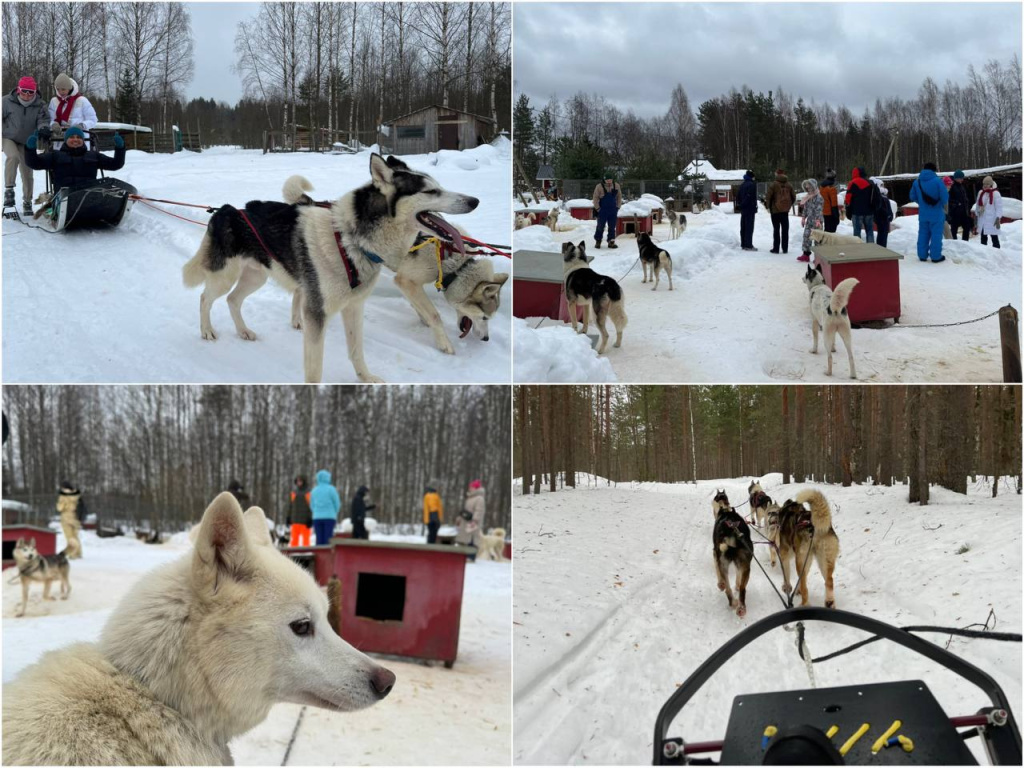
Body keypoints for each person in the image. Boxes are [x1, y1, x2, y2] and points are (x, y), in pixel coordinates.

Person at [25, 125, 125, 196]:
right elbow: (34, 163)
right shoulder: (55, 156)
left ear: (83, 140)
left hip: (88, 196)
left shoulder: (94, 156)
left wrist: (120, 148)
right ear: (66, 140)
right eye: (71, 137)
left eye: (79, 137)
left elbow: (116, 164)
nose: (75, 139)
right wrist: (30, 149)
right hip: (64, 197)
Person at [2, 76, 50, 216]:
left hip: (27, 141)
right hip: (8, 138)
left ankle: (27, 201)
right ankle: (9, 190)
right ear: (18, 90)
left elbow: (43, 120)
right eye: (24, 91)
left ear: (35, 92)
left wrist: (44, 128)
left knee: (27, 170)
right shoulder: (6, 101)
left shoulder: (40, 104)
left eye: (31, 92)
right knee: (13, 157)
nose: (27, 95)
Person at [909, 161, 949, 262]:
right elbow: (945, 198)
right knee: (936, 235)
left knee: (923, 233)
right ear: (934, 170)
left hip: (923, 214)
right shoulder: (938, 181)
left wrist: (922, 203)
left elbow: (912, 196)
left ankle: (922, 255)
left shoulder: (917, 182)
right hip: (936, 214)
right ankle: (936, 256)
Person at [47, 73, 98, 138]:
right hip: (59, 141)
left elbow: (93, 120)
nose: (60, 92)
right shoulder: (54, 101)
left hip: (79, 140)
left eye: (63, 89)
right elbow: (50, 119)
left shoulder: (82, 100)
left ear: (69, 88)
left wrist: (82, 125)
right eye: (58, 89)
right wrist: (53, 124)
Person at [843, 167, 879, 243]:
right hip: (869, 212)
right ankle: (871, 248)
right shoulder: (871, 183)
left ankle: (857, 250)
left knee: (857, 233)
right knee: (869, 232)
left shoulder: (852, 183)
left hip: (857, 212)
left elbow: (848, 199)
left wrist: (848, 210)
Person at [764, 169, 795, 254]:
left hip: (775, 211)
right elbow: (793, 197)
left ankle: (776, 248)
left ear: (777, 174)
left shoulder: (774, 185)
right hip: (785, 211)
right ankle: (785, 249)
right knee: (785, 230)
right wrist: (788, 206)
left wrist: (768, 207)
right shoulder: (789, 185)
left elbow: (768, 197)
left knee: (776, 229)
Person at [457, 479, 487, 561]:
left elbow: (479, 510)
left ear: (475, 488)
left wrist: (475, 520)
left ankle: (471, 556)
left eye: (471, 487)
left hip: (473, 523)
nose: (470, 488)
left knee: (472, 539)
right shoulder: (470, 498)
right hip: (466, 521)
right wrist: (460, 518)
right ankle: (465, 555)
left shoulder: (479, 499)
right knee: (465, 539)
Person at [310, 469, 341, 545]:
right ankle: (327, 555)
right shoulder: (331, 489)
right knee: (328, 538)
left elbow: (312, 505)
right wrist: (334, 512)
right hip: (329, 517)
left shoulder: (314, 490)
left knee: (319, 538)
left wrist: (316, 512)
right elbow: (337, 503)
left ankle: (319, 554)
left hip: (317, 517)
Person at [591, 173, 622, 249]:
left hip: (613, 210)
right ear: (604, 180)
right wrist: (598, 208)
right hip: (602, 210)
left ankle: (611, 242)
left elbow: (619, 197)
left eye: (610, 180)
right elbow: (595, 198)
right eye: (607, 180)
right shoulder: (599, 187)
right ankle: (598, 241)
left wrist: (618, 207)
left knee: (612, 226)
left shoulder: (616, 185)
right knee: (600, 226)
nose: (609, 181)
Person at [798, 178, 823, 263]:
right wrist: (803, 218)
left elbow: (819, 209)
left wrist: (818, 220)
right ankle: (806, 254)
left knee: (817, 239)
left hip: (817, 221)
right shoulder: (808, 197)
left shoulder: (819, 197)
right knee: (806, 236)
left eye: (809, 185)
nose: (807, 187)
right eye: (806, 186)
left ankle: (818, 258)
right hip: (809, 221)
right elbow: (805, 208)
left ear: (813, 186)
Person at [56, 480, 83, 559]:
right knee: (75, 536)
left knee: (69, 537)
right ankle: (78, 553)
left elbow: (60, 508)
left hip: (66, 516)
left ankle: (73, 553)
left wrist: (59, 505)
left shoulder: (63, 495)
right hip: (76, 516)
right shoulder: (76, 495)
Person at [974, 176, 1003, 249]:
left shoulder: (996, 193)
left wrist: (998, 217)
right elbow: (978, 204)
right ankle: (984, 252)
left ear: (991, 184)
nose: (985, 186)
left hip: (992, 219)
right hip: (983, 218)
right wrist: (977, 213)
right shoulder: (981, 193)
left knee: (994, 237)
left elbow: (999, 207)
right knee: (983, 237)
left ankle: (997, 252)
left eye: (987, 184)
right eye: (984, 184)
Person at [947, 170, 972, 241]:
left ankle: (965, 242)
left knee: (967, 227)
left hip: (963, 211)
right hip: (955, 212)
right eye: (961, 178)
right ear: (956, 178)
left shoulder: (962, 186)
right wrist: (956, 204)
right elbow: (949, 199)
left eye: (962, 178)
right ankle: (954, 243)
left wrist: (966, 203)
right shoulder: (951, 186)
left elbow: (965, 197)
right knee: (954, 229)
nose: (962, 180)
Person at [287, 475, 312, 547]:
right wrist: (288, 517)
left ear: (304, 482)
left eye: (300, 481)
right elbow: (290, 506)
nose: (299, 482)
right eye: (297, 481)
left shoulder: (308, 493)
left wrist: (310, 518)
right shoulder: (293, 493)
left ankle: (307, 555)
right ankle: (293, 555)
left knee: (306, 541)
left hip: (305, 521)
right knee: (294, 540)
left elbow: (311, 506)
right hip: (294, 520)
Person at [870, 177, 894, 249]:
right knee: (882, 233)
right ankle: (881, 247)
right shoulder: (879, 196)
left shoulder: (883, 196)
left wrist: (890, 215)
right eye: (881, 185)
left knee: (883, 233)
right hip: (882, 217)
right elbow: (881, 208)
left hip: (885, 217)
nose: (883, 187)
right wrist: (887, 215)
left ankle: (882, 247)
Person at [737, 170, 758, 251]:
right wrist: (745, 204)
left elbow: (738, 196)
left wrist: (740, 205)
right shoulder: (752, 185)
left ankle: (743, 244)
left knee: (743, 226)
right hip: (750, 208)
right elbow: (749, 197)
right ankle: (748, 245)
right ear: (752, 176)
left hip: (743, 209)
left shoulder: (742, 184)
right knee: (749, 227)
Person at [820, 168, 841, 233]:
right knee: (831, 231)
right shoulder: (831, 188)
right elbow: (834, 204)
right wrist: (837, 216)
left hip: (824, 211)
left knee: (826, 229)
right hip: (831, 212)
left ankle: (825, 242)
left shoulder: (821, 187)